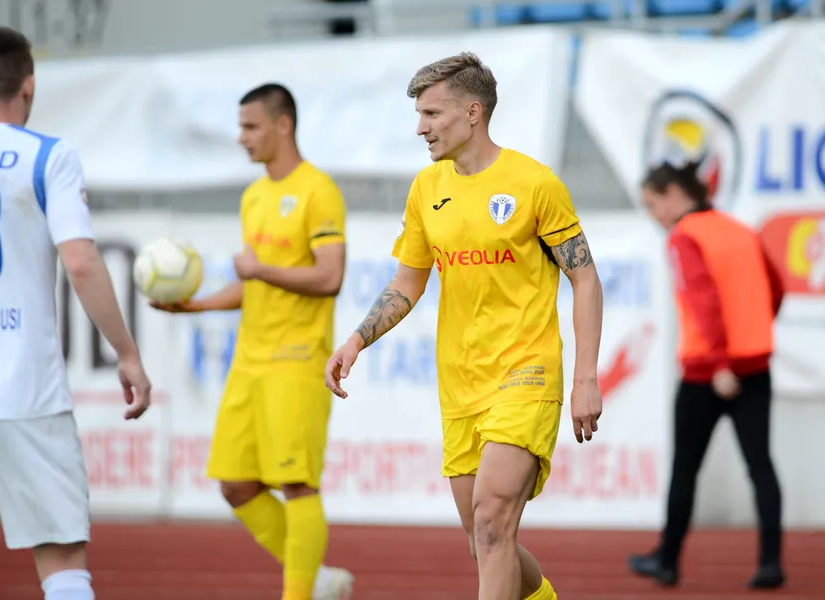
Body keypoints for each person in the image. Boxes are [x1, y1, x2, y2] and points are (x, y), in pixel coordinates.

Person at [325, 52, 604, 600]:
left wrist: (586, 378)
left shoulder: (534, 183)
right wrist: (356, 339)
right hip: (460, 385)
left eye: (432, 114)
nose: (420, 128)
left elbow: (586, 278)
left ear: (473, 112)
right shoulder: (427, 189)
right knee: (486, 540)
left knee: (493, 521)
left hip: (526, 374)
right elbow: (407, 283)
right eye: (419, 115)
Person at [0, 27, 152, 600]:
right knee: (61, 557)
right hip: (23, 389)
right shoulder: (49, 155)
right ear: (28, 86)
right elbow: (81, 263)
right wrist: (126, 353)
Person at [152, 83, 354, 600]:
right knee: (236, 485)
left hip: (297, 362)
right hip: (249, 363)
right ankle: (318, 579)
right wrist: (195, 306)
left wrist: (260, 269)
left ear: (282, 125)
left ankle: (298, 592)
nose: (241, 137)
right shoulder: (254, 196)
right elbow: (253, 284)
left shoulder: (318, 191)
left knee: (297, 485)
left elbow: (329, 276)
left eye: (250, 126)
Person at [628, 160, 785, 590]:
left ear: (675, 195)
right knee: (761, 465)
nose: (652, 215)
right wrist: (752, 333)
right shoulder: (741, 231)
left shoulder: (684, 236)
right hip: (754, 366)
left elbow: (704, 300)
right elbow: (775, 288)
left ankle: (667, 560)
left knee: (685, 468)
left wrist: (718, 363)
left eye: (652, 204)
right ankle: (771, 563)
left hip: (707, 373)